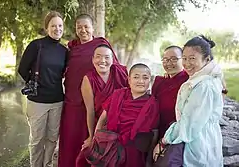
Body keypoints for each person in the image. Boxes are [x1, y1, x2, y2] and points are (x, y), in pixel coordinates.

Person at [58, 14, 119, 167]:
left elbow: (115, 67)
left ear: (93, 28)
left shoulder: (101, 44)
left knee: (94, 142)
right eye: (79, 27)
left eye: (86, 27)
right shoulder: (72, 49)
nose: (83, 30)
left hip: (97, 101)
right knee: (71, 141)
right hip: (73, 103)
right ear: (75, 29)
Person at [153, 35, 224, 166]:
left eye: (192, 58)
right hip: (195, 140)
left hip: (200, 144)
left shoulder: (204, 86)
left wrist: (164, 141)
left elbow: (188, 125)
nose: (187, 63)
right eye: (185, 58)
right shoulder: (196, 81)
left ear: (206, 59)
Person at [18, 11, 67, 167]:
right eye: (53, 26)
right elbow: (22, 69)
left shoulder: (64, 51)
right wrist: (35, 83)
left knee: (52, 138)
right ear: (47, 28)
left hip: (57, 101)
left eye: (60, 25)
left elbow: (65, 73)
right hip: (37, 101)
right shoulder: (36, 45)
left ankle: (47, 165)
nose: (57, 29)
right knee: (37, 140)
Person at [91, 63, 160, 167]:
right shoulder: (118, 95)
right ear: (129, 80)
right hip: (110, 145)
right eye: (136, 77)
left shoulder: (152, 103)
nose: (141, 81)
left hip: (134, 150)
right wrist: (96, 139)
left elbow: (154, 131)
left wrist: (149, 158)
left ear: (149, 81)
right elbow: (103, 118)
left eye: (145, 78)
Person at [75, 44, 128, 167]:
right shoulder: (88, 79)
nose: (102, 61)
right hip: (98, 126)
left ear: (112, 59)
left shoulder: (120, 73)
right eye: (98, 57)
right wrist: (91, 136)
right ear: (93, 59)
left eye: (107, 57)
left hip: (120, 124)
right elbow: (90, 110)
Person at [152, 46, 189, 139]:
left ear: (183, 60)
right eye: (165, 59)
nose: (168, 63)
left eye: (174, 59)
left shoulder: (189, 81)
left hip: (179, 133)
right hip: (159, 131)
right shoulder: (159, 82)